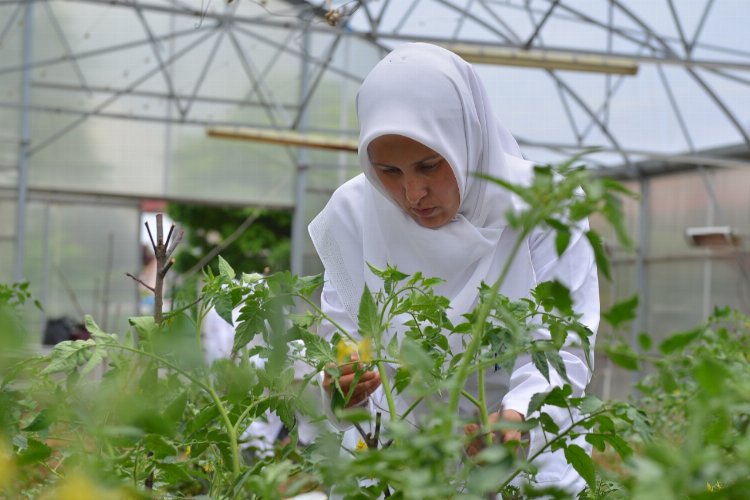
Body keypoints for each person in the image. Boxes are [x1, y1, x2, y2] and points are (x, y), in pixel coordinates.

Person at [307, 43, 599, 493]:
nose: (413, 193)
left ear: (468, 139)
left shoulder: (543, 206)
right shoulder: (354, 213)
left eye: (429, 165)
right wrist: (341, 385)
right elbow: (344, 340)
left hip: (519, 472)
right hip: (399, 465)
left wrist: (518, 415)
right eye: (388, 171)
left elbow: (562, 347)